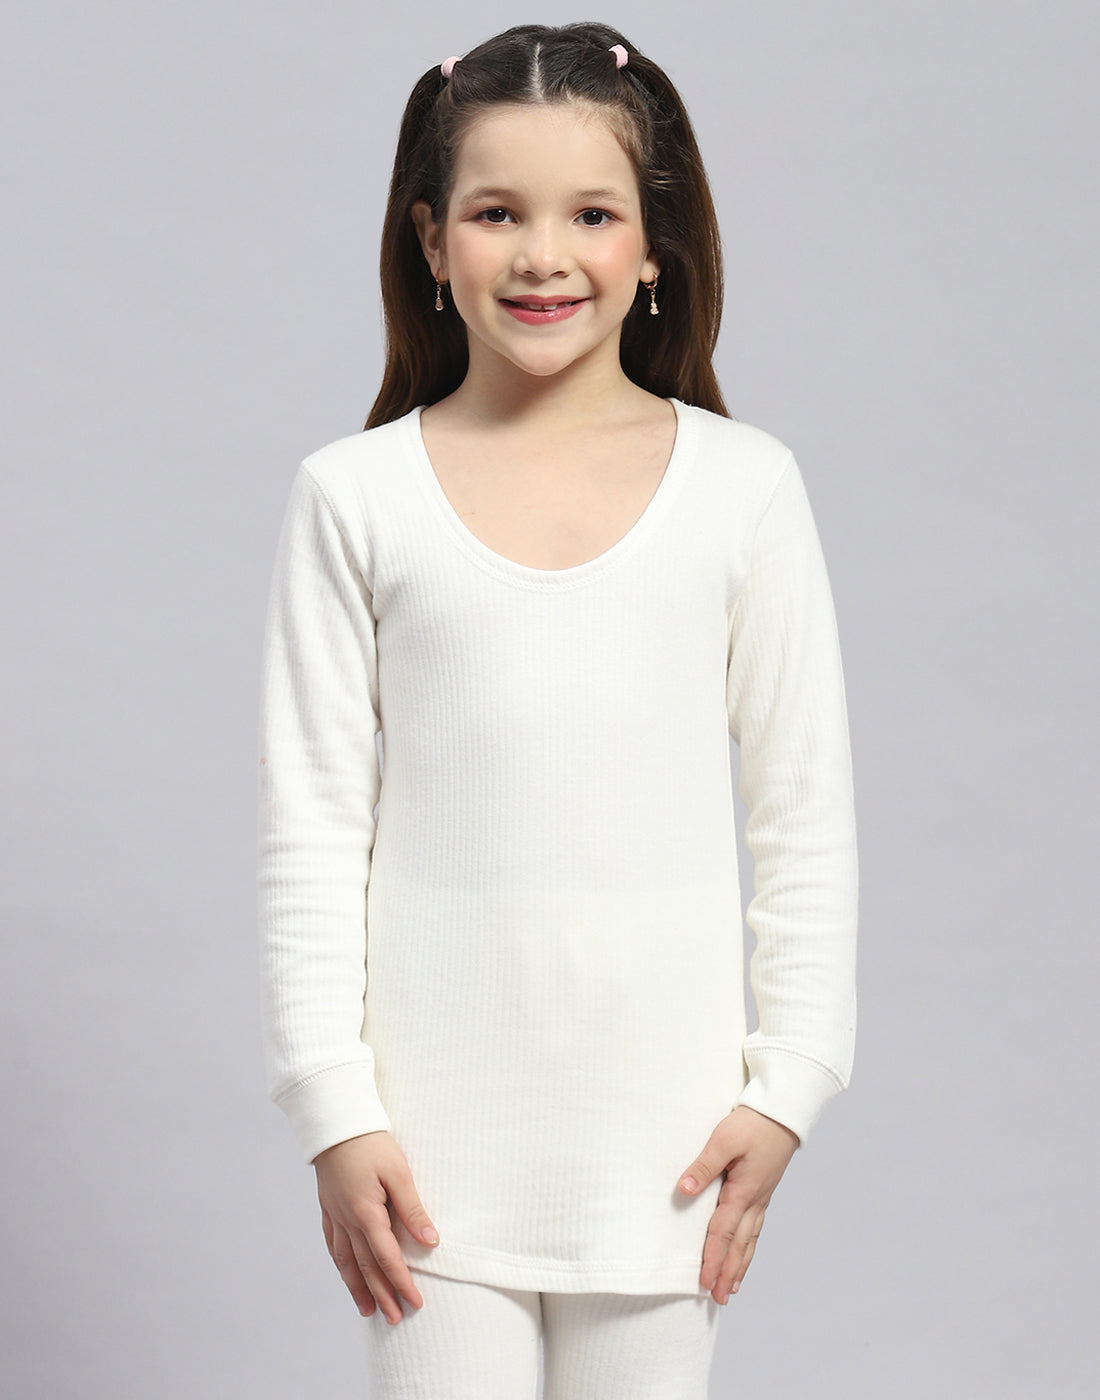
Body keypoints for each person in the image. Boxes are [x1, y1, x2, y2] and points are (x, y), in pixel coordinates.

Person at [256, 20, 858, 1400]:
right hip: (424, 1159)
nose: (542, 256)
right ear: (430, 239)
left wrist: (788, 1085)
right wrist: (333, 1111)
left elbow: (804, 815)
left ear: (653, 248)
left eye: (591, 214)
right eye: (495, 214)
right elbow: (313, 827)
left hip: (664, 1148)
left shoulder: (744, 490)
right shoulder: (354, 498)